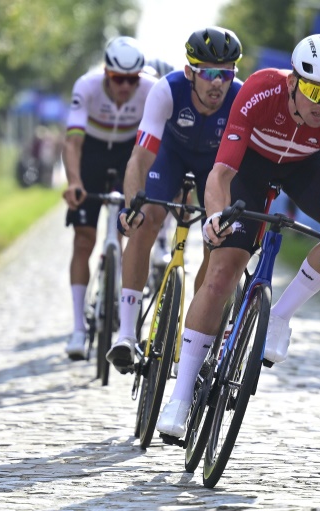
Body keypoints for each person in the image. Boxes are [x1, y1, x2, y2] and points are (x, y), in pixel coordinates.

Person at [156, 33, 320, 437]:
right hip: (250, 166)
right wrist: (216, 216)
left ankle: (279, 317)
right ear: (292, 82)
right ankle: (180, 396)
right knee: (223, 271)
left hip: (305, 166)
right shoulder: (260, 89)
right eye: (313, 90)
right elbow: (221, 174)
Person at [105, 27, 244, 372]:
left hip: (215, 165)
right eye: (209, 73)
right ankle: (125, 334)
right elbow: (139, 157)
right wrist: (130, 207)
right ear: (189, 72)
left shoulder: (240, 98)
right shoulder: (167, 90)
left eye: (225, 74)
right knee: (145, 219)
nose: (217, 83)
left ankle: (196, 332)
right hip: (170, 156)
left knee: (218, 240)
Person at [61, 36, 158, 360]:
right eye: (119, 79)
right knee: (83, 240)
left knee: (124, 226)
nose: (126, 87)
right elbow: (72, 143)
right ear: (106, 73)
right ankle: (77, 327)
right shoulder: (86, 87)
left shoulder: (150, 88)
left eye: (133, 80)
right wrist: (74, 182)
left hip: (126, 155)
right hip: (91, 153)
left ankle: (116, 286)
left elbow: (156, 145)